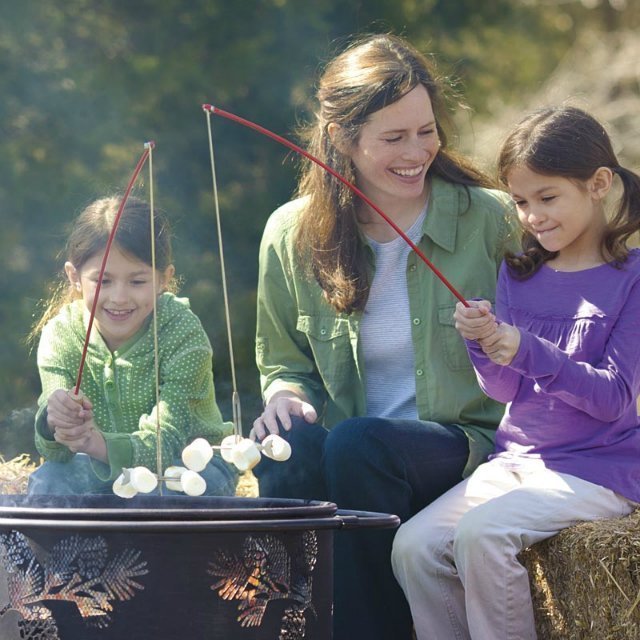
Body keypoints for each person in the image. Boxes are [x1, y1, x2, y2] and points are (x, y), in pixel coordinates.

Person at [251, 34, 519, 640]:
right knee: (286, 449)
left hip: (464, 443)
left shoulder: (493, 218)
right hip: (355, 446)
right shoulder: (289, 234)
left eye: (426, 131)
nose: (417, 151)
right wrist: (284, 396)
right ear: (343, 140)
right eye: (393, 138)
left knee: (356, 446)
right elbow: (281, 360)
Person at [391, 105, 640, 640]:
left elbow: (614, 398)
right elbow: (504, 390)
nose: (533, 216)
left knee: (482, 534)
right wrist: (483, 342)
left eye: (548, 198)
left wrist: (527, 348)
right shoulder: (519, 274)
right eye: (522, 202)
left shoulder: (632, 278)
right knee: (413, 547)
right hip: (516, 462)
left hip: (597, 469)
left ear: (598, 184)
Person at [28, 196, 237, 496]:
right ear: (74, 277)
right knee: (49, 483)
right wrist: (56, 423)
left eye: (137, 282)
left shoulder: (182, 331)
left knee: (161, 496)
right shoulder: (61, 334)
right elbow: (57, 454)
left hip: (189, 467)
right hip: (97, 467)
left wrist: (95, 443)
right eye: (103, 281)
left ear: (164, 279)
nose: (120, 298)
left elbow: (168, 440)